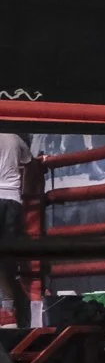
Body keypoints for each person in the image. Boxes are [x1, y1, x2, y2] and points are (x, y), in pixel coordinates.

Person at [0, 133, 30, 328]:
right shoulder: (15, 138)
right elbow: (29, 161)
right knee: (7, 259)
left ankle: (8, 311)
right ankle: (9, 311)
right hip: (13, 199)